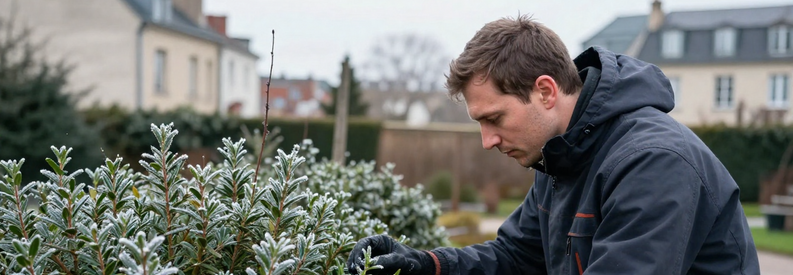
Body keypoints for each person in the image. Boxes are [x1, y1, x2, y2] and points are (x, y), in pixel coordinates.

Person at [346, 14, 761, 275]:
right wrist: (428, 264)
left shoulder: (653, 163)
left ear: (545, 91)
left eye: (494, 118)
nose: (487, 141)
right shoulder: (563, 154)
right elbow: (518, 258)